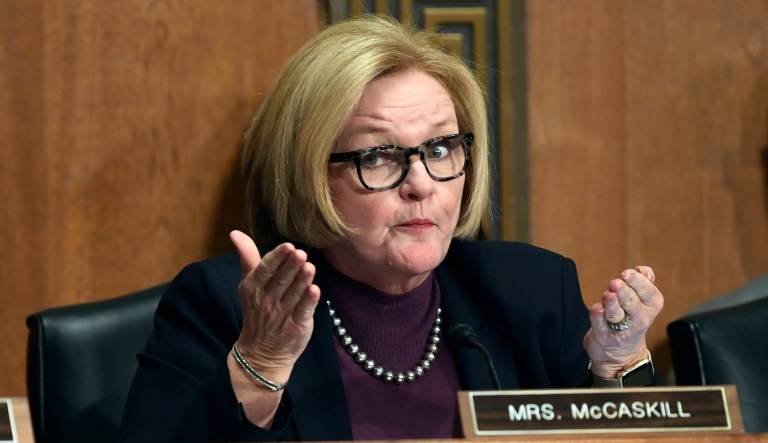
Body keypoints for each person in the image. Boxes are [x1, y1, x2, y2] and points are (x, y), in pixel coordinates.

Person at [119, 15, 664, 442]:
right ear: (308, 171)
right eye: (379, 156)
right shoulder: (227, 307)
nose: (421, 184)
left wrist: (615, 373)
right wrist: (261, 362)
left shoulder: (532, 293)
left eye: (441, 148)